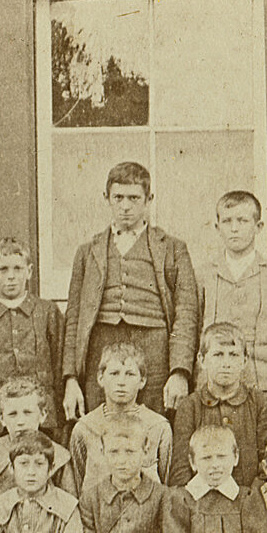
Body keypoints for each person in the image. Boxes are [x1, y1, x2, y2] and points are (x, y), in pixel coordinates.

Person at [62, 160, 202, 419]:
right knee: (100, 425)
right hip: (100, 345)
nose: (125, 206)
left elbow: (186, 312)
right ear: (107, 198)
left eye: (134, 198)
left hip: (155, 346)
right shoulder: (87, 252)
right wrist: (71, 378)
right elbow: (73, 318)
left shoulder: (172, 248)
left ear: (149, 200)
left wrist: (179, 371)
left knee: (154, 424)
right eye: (118, 198)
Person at [0, 237, 64, 448]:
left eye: (18, 269)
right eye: (3, 269)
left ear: (29, 271)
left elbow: (58, 363)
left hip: (40, 417)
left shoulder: (47, 312)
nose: (11, 276)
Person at [203, 190, 267, 410]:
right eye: (227, 221)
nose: (234, 228)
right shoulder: (203, 275)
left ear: (258, 226)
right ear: (217, 227)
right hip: (214, 385)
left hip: (264, 382)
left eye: (242, 221)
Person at [168, 322, 267, 493]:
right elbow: (181, 471)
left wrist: (249, 499)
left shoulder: (261, 403)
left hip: (249, 502)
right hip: (201, 504)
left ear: (244, 361)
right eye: (218, 355)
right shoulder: (190, 407)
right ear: (202, 360)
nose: (226, 363)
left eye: (233, 355)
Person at [67, 341, 173, 493]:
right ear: (100, 378)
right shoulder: (85, 428)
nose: (121, 382)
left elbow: (165, 481)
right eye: (114, 373)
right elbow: (79, 480)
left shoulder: (158, 427)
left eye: (130, 374)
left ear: (142, 381)